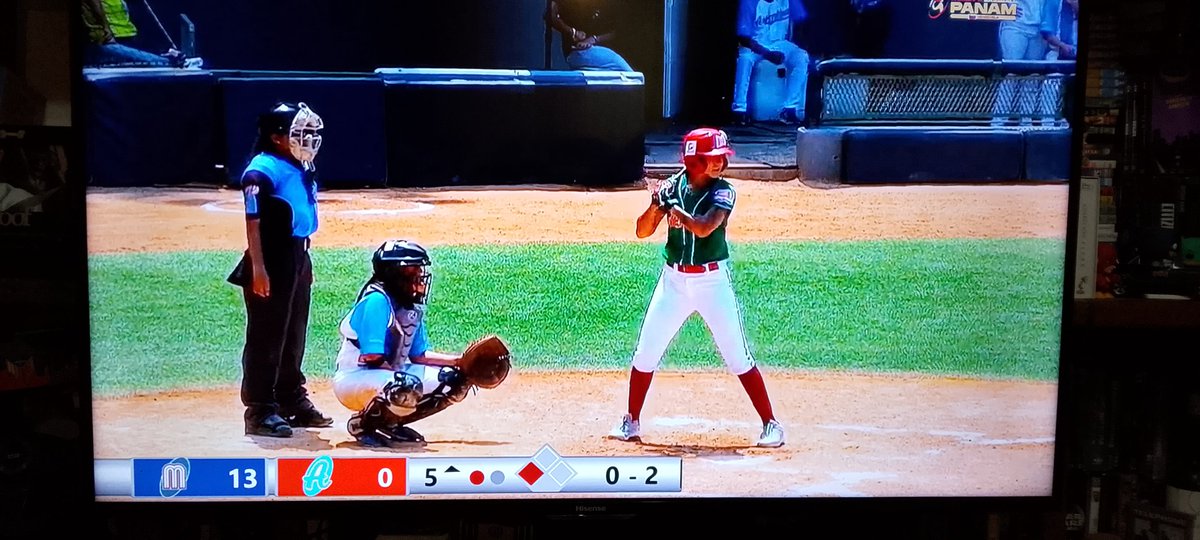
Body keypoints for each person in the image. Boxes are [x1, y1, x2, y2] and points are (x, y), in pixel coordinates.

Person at [610, 128, 784, 448]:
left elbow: (704, 228)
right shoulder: (672, 187)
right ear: (693, 159)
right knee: (645, 352)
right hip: (673, 282)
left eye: (721, 158)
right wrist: (655, 205)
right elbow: (641, 231)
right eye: (712, 158)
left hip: (711, 282)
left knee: (737, 357)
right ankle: (631, 421)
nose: (720, 163)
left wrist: (675, 210)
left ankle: (771, 424)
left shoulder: (725, 192)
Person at [227, 102, 331, 438]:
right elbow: (253, 222)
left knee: (293, 334)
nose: (307, 138)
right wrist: (258, 268)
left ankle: (290, 399)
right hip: (271, 259)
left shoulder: (299, 164)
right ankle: (259, 411)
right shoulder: (262, 170)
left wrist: (305, 261)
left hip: (297, 257)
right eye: (298, 132)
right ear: (275, 138)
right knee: (266, 337)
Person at [332, 240, 476, 448]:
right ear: (396, 274)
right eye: (414, 272)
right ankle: (362, 424)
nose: (420, 278)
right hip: (354, 380)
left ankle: (391, 422)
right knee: (405, 385)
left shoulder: (407, 307)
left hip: (386, 376)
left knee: (455, 381)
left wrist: (461, 363)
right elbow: (372, 357)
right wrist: (406, 383)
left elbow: (419, 356)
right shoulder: (376, 301)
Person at [731, 0, 811, 125]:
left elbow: (802, 23)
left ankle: (789, 108)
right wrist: (767, 54)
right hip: (755, 45)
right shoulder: (750, 2)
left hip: (779, 42)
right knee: (744, 59)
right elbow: (744, 39)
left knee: (801, 56)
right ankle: (739, 109)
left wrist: (798, 44)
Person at [546, 0, 634, 71]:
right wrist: (572, 32)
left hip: (604, 49)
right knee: (629, 75)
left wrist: (595, 39)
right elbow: (549, 15)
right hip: (579, 51)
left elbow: (618, 31)